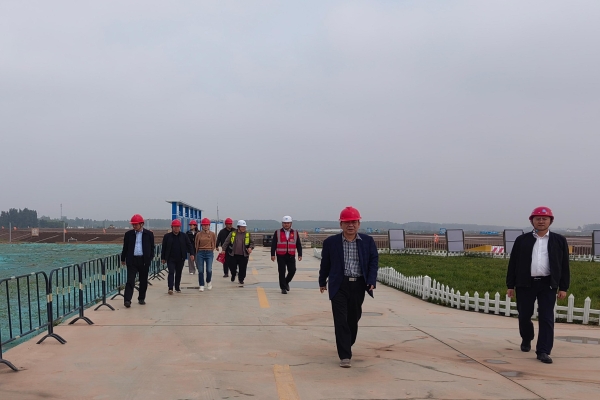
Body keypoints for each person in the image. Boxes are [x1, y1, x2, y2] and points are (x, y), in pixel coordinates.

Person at [506, 206, 570, 364]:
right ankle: (527, 337)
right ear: (532, 221)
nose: (541, 221)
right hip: (525, 284)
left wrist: (563, 287)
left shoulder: (559, 240)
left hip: (548, 284)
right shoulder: (522, 240)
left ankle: (543, 351)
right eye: (538, 218)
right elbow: (513, 263)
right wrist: (510, 285)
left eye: (544, 218)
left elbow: (564, 265)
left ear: (550, 221)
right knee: (524, 315)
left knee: (546, 317)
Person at [318, 206, 378, 368]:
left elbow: (373, 262)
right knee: (340, 319)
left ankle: (346, 342)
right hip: (339, 284)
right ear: (341, 224)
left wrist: (371, 280)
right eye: (346, 222)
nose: (350, 225)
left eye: (353, 222)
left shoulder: (367, 241)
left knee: (353, 318)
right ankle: (345, 355)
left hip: (358, 284)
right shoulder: (331, 242)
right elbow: (325, 263)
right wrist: (322, 281)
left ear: (359, 224)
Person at [120, 214, 155, 308]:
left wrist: (150, 258)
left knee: (143, 281)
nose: (134, 226)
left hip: (144, 260)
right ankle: (127, 300)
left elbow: (152, 247)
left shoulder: (149, 234)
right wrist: (123, 258)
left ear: (141, 224)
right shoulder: (128, 234)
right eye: (133, 224)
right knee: (130, 280)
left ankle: (141, 298)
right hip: (132, 260)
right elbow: (125, 247)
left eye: (136, 224)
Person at [161, 219, 194, 295]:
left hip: (180, 258)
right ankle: (170, 288)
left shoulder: (184, 236)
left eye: (178, 227)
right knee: (171, 272)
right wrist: (163, 258)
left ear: (180, 227)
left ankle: (177, 287)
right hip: (170, 258)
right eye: (175, 227)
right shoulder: (167, 236)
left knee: (178, 273)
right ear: (172, 227)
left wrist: (192, 254)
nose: (176, 228)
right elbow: (164, 248)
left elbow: (189, 245)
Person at [271, 215, 302, 294]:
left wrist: (300, 254)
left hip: (291, 254)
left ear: (291, 223)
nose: (286, 225)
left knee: (292, 270)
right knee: (282, 272)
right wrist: (272, 254)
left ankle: (286, 282)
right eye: (285, 223)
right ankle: (283, 288)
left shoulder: (295, 232)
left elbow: (298, 244)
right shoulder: (277, 232)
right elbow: (274, 244)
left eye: (288, 223)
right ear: (282, 224)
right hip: (281, 255)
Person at [221, 220, 254, 285]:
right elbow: (226, 242)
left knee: (243, 268)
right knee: (232, 267)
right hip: (233, 254)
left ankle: (241, 279)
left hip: (244, 255)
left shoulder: (248, 234)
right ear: (238, 227)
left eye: (244, 227)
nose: (244, 228)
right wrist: (223, 249)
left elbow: (252, 243)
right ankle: (233, 274)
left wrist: (250, 247)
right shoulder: (232, 233)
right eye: (242, 227)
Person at [195, 218, 217, 292]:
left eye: (207, 225)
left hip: (209, 252)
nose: (205, 226)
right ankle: (201, 285)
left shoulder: (212, 234)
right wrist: (197, 252)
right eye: (204, 225)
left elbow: (214, 242)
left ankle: (208, 281)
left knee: (209, 269)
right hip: (200, 252)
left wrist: (212, 249)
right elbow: (196, 243)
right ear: (201, 226)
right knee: (200, 270)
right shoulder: (198, 234)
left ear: (209, 226)